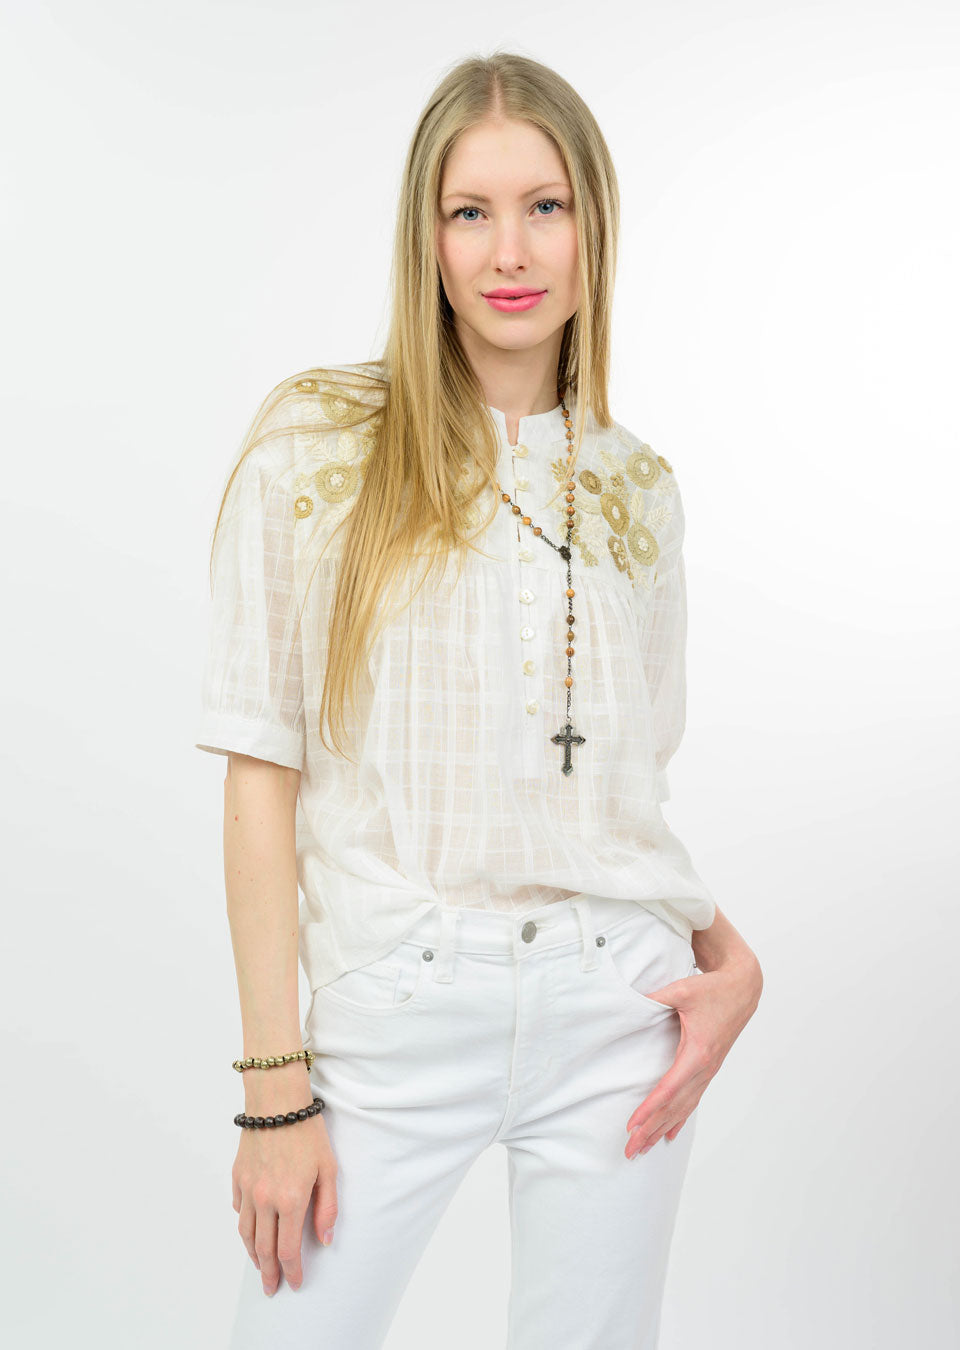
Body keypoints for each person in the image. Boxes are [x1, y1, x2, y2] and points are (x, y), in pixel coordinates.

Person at [195, 50, 762, 1350]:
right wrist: (274, 1087)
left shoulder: (638, 486)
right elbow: (260, 770)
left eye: (545, 206)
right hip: (399, 998)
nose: (511, 250)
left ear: (593, 225)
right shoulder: (319, 444)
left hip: (618, 1006)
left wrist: (728, 959)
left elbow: (620, 799)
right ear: (428, 237)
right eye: (471, 211)